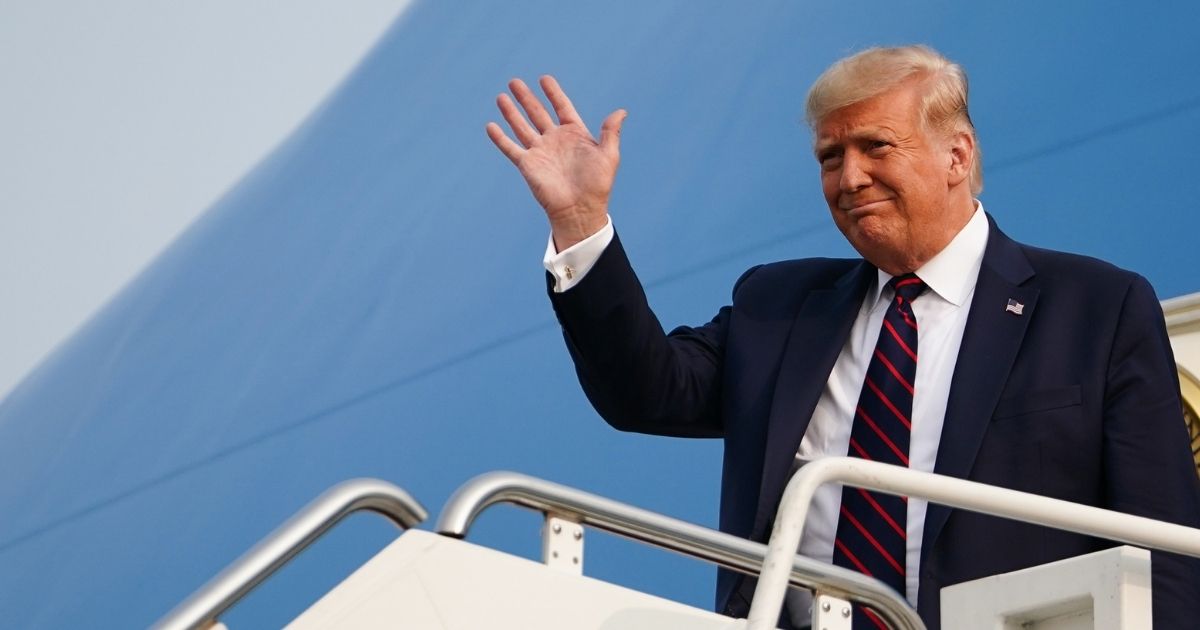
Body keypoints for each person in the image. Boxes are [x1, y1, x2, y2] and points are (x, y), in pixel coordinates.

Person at [486, 45, 1200, 629]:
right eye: (830, 157)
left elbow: (1165, 550)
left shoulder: (1095, 309)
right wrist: (581, 222)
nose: (850, 178)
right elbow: (645, 392)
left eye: (874, 147)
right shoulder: (781, 307)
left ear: (957, 155)